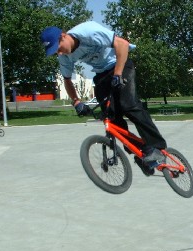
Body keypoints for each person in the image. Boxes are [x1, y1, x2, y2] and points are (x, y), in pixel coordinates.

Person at [40, 22, 167, 168]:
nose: (60, 54)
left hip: (120, 63)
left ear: (63, 37)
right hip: (102, 75)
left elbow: (123, 44)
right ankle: (143, 150)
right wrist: (76, 101)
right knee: (110, 117)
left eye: (58, 49)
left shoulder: (88, 31)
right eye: (55, 52)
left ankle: (157, 147)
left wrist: (118, 75)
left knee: (129, 105)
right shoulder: (64, 57)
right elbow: (67, 80)